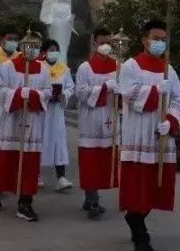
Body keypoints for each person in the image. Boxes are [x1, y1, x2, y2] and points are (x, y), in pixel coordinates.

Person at [118, 19, 180, 251]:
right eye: (155, 39)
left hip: (161, 136)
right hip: (138, 134)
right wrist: (156, 91)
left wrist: (171, 120)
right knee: (138, 187)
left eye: (163, 40)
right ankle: (139, 231)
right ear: (144, 40)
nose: (159, 43)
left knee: (155, 186)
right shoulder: (131, 66)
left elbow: (178, 100)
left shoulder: (169, 69)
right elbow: (129, 96)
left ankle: (137, 218)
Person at [0, 32, 52, 221]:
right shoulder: (7, 66)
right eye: (30, 45)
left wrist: (34, 95)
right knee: (4, 158)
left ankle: (25, 202)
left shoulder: (43, 69)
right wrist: (19, 94)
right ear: (22, 46)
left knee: (29, 162)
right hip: (10, 120)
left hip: (31, 121)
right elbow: (0, 89)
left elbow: (48, 91)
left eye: (37, 46)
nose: (33, 49)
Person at [75, 27, 118, 219]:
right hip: (91, 120)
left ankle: (91, 197)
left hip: (109, 118)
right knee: (90, 160)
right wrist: (105, 88)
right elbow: (81, 93)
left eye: (108, 42)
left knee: (103, 160)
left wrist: (119, 91)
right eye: (102, 43)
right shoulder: (85, 67)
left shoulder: (117, 66)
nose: (105, 46)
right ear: (94, 44)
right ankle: (92, 199)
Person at [38, 37, 75, 192]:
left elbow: (70, 87)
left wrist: (64, 95)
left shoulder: (64, 69)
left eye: (56, 50)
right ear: (44, 53)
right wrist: (45, 95)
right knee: (38, 140)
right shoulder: (38, 67)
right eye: (51, 50)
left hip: (56, 112)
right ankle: (36, 175)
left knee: (58, 142)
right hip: (41, 111)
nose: (54, 53)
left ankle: (61, 178)